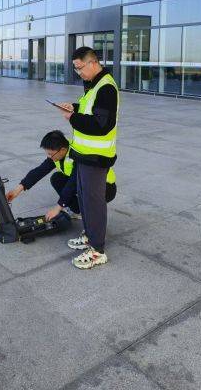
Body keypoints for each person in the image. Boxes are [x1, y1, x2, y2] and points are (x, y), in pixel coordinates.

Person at [57, 46, 119, 270]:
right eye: (76, 69)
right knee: (84, 199)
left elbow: (102, 125)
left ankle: (97, 250)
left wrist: (72, 118)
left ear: (92, 63)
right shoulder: (93, 85)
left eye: (79, 68)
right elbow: (88, 111)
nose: (78, 73)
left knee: (94, 203)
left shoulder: (106, 88)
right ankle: (89, 235)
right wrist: (74, 107)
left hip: (96, 157)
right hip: (84, 155)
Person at [6, 130, 117, 221]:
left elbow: (72, 184)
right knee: (57, 178)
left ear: (62, 150)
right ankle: (77, 210)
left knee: (80, 187)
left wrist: (58, 207)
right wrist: (18, 189)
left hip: (104, 188)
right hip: (84, 183)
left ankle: (92, 224)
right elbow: (40, 170)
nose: (49, 157)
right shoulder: (57, 153)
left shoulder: (77, 155)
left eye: (50, 154)